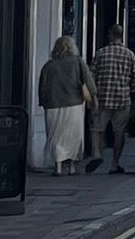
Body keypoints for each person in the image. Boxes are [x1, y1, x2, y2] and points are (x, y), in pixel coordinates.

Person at [87, 25, 135, 174]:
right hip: (122, 100)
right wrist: (130, 88)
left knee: (96, 129)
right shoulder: (129, 54)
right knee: (119, 132)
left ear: (110, 35)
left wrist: (93, 95)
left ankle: (97, 153)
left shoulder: (100, 53)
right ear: (121, 36)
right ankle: (114, 164)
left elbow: (91, 75)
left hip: (102, 99)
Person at [38, 36, 94, 176]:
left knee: (56, 135)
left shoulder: (49, 65)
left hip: (53, 104)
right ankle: (72, 167)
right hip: (74, 103)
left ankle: (57, 167)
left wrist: (43, 102)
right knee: (73, 135)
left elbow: (42, 86)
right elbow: (87, 79)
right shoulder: (78, 62)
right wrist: (93, 97)